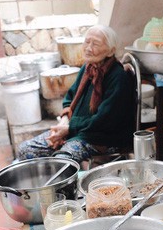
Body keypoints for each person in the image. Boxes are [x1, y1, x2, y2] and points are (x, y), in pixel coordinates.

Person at [17, 24, 135, 163]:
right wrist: (64, 122)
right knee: (26, 149)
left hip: (102, 138)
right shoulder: (88, 68)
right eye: (87, 41)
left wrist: (69, 129)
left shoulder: (118, 77)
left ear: (110, 51)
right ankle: (45, 183)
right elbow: (70, 98)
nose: (88, 48)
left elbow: (104, 120)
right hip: (75, 130)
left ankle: (65, 184)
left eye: (95, 44)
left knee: (63, 161)